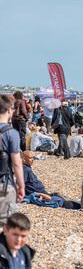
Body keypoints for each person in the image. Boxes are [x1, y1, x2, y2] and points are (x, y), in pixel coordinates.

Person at [0, 95, 25, 228]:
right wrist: (21, 186)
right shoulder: (11, 133)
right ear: (9, 110)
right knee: (6, 224)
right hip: (4, 183)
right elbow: (17, 163)